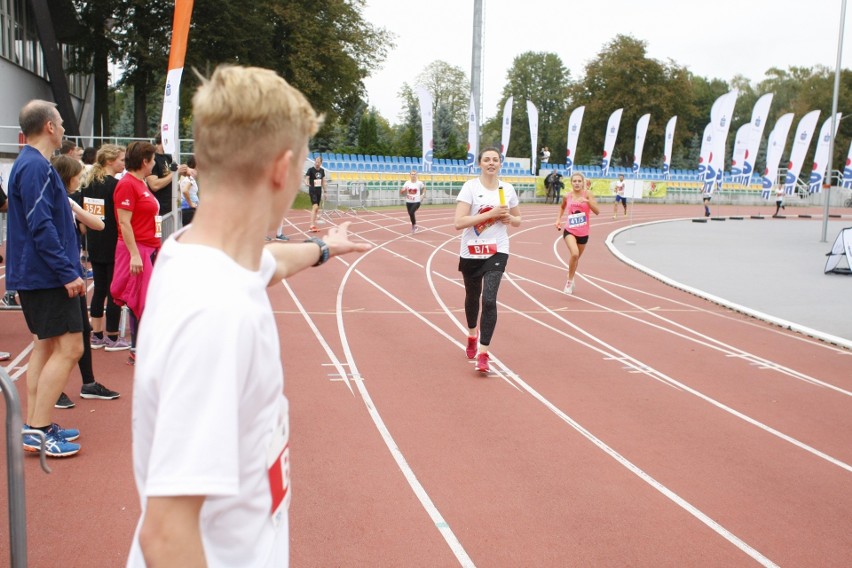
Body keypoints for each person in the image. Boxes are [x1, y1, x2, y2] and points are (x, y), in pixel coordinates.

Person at [126, 65, 371, 568]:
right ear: (282, 168)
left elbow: (267, 263)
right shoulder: (219, 313)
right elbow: (166, 535)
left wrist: (324, 247)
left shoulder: (192, 252)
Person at [6, 99, 84, 457]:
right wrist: (67, 271)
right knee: (71, 348)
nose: (65, 126)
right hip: (47, 275)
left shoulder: (32, 164)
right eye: (61, 121)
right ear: (49, 127)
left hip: (39, 274)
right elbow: (42, 225)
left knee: (45, 346)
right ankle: (37, 430)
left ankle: (36, 423)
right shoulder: (35, 167)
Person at [51, 155, 120, 406]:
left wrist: (76, 208)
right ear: (67, 177)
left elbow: (96, 225)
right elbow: (50, 243)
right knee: (55, 340)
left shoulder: (68, 201)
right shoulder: (52, 205)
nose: (81, 179)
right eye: (78, 175)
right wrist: (66, 275)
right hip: (60, 279)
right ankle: (53, 390)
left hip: (73, 274)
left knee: (83, 331)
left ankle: (88, 383)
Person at [454, 147, 522, 374]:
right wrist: (491, 213)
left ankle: (483, 353)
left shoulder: (508, 189)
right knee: (473, 297)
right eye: (487, 159)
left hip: (497, 250)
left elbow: (518, 220)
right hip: (471, 251)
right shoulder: (470, 188)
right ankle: (472, 334)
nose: (491, 163)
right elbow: (459, 222)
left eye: (495, 159)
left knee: (490, 300)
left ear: (500, 163)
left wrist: (509, 218)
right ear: (480, 164)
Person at [111, 141, 162, 365]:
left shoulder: (140, 183)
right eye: (153, 160)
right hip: (137, 248)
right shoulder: (127, 184)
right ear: (144, 161)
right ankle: (139, 349)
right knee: (141, 300)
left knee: (145, 298)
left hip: (147, 247)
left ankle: (141, 347)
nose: (155, 164)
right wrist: (134, 254)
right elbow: (124, 222)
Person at [81, 144, 131, 351]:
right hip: (112, 242)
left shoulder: (89, 183)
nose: (124, 163)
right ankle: (111, 337)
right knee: (114, 290)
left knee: (100, 288)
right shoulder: (115, 185)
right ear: (110, 161)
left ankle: (97, 334)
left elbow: (83, 213)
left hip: (94, 241)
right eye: (121, 160)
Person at [555, 171, 600, 295]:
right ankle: (569, 282)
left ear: (583, 183)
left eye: (579, 181)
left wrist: (587, 201)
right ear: (571, 183)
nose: (577, 183)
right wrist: (558, 219)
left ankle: (571, 274)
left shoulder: (588, 194)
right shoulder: (567, 196)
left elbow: (597, 211)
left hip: (583, 233)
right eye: (574, 181)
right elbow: (562, 207)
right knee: (574, 254)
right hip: (569, 230)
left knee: (576, 259)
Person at [146, 132, 188, 217]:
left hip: (170, 208)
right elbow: (154, 186)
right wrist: (175, 173)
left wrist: (184, 170)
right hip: (159, 210)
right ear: (165, 141)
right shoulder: (153, 159)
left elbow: (177, 172)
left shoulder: (169, 157)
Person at [400, 169, 426, 233]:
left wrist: (422, 195)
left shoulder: (419, 183)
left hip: (417, 201)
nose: (413, 175)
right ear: (410, 175)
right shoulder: (407, 182)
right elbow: (402, 191)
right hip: (408, 201)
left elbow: (424, 188)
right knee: (410, 214)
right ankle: (414, 225)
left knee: (411, 212)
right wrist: (403, 190)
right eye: (412, 174)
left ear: (416, 175)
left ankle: (414, 226)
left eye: (414, 174)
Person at [305, 155, 326, 232]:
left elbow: (323, 181)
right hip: (312, 190)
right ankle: (311, 225)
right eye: (316, 161)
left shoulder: (322, 171)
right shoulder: (310, 170)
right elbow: (306, 178)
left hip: (319, 191)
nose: (317, 163)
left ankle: (313, 223)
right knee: (315, 207)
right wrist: (306, 182)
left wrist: (325, 191)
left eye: (318, 162)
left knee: (317, 208)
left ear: (321, 162)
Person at [179, 155, 199, 226]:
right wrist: (191, 204)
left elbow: (180, 190)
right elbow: (185, 191)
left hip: (186, 210)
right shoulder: (191, 178)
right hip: (190, 210)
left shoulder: (184, 178)